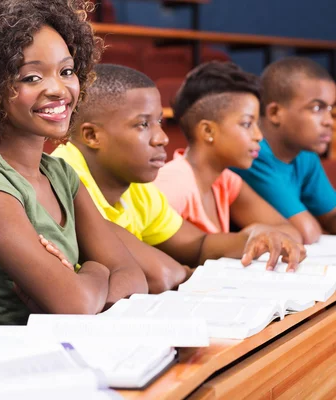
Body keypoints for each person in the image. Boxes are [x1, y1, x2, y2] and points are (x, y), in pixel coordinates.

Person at [0, 0, 149, 348]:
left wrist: (82, 277)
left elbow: (134, 279)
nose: (58, 89)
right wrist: (96, 269)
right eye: (31, 77)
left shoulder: (60, 174)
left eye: (66, 71)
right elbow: (75, 305)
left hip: (51, 357)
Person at [52, 63, 305, 281]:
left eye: (159, 122)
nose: (161, 138)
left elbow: (197, 245)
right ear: (92, 135)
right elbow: (160, 274)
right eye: (143, 124)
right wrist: (184, 272)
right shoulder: (61, 178)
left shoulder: (138, 188)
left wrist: (254, 237)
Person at [154, 61, 302, 241]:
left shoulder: (226, 181)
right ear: (208, 131)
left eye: (257, 125)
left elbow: (290, 232)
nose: (258, 136)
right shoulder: (174, 183)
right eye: (247, 124)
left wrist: (257, 229)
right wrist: (245, 238)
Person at [232, 57, 336, 244]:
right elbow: (306, 232)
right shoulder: (252, 154)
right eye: (317, 108)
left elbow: (331, 215)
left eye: (330, 108)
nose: (329, 120)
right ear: (274, 113)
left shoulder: (305, 154)